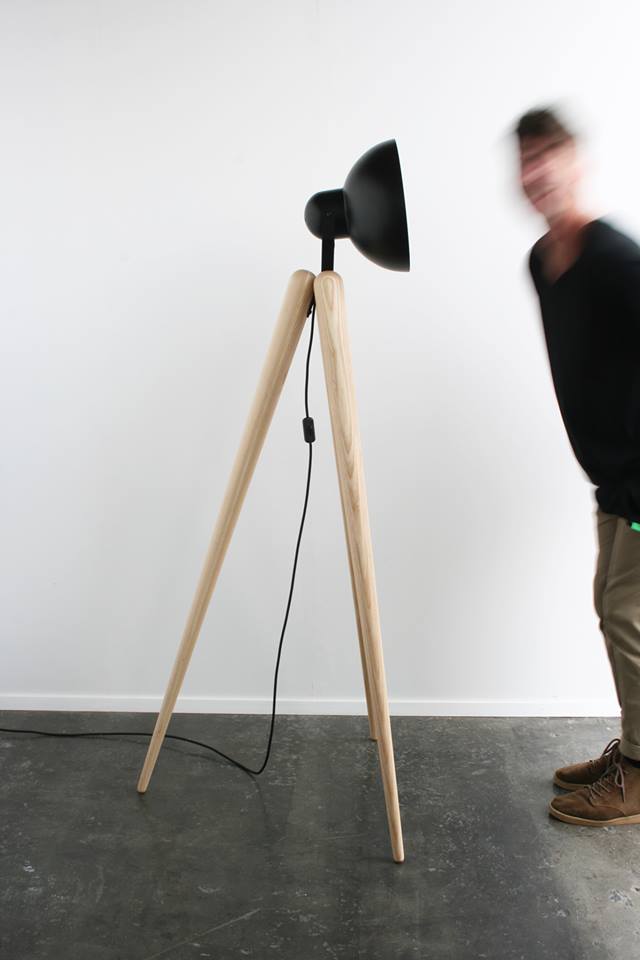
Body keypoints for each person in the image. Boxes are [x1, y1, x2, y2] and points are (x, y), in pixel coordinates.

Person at [516, 105, 640, 826]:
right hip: (612, 474)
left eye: (549, 155)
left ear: (577, 163)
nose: (536, 172)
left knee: (628, 616)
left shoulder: (617, 260)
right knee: (611, 609)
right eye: (526, 159)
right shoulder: (542, 262)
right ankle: (634, 750)